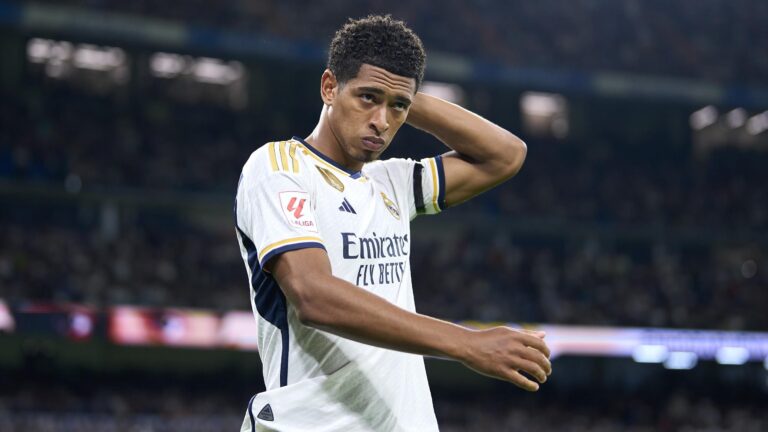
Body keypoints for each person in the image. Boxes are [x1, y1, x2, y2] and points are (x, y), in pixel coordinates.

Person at [235, 14, 551, 432]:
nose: (382, 122)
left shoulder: (391, 181)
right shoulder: (279, 167)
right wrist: (466, 343)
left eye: (397, 107)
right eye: (367, 98)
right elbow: (313, 296)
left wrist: (402, 94)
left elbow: (506, 155)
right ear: (329, 87)